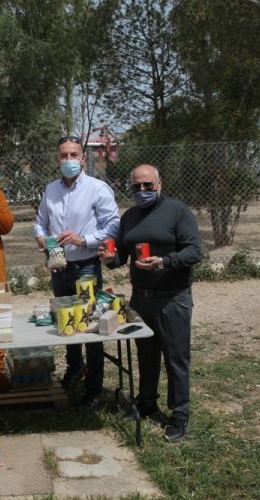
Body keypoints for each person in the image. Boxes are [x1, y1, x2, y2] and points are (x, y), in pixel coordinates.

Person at [98, 163, 201, 443]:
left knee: (176, 359)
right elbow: (121, 255)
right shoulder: (129, 216)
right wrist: (110, 259)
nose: (142, 191)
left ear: (160, 184)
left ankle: (180, 415)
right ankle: (147, 402)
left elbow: (194, 250)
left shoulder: (178, 211)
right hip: (141, 299)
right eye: (136, 186)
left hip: (173, 298)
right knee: (146, 355)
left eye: (148, 185)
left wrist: (165, 261)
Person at [34, 135, 120, 410]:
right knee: (66, 322)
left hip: (86, 267)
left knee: (91, 326)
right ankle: (75, 369)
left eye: (74, 155)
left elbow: (113, 225)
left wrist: (83, 239)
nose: (69, 160)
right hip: (59, 268)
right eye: (63, 156)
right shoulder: (50, 190)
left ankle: (94, 388)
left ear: (83, 158)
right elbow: (40, 223)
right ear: (57, 159)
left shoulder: (98, 189)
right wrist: (41, 239)